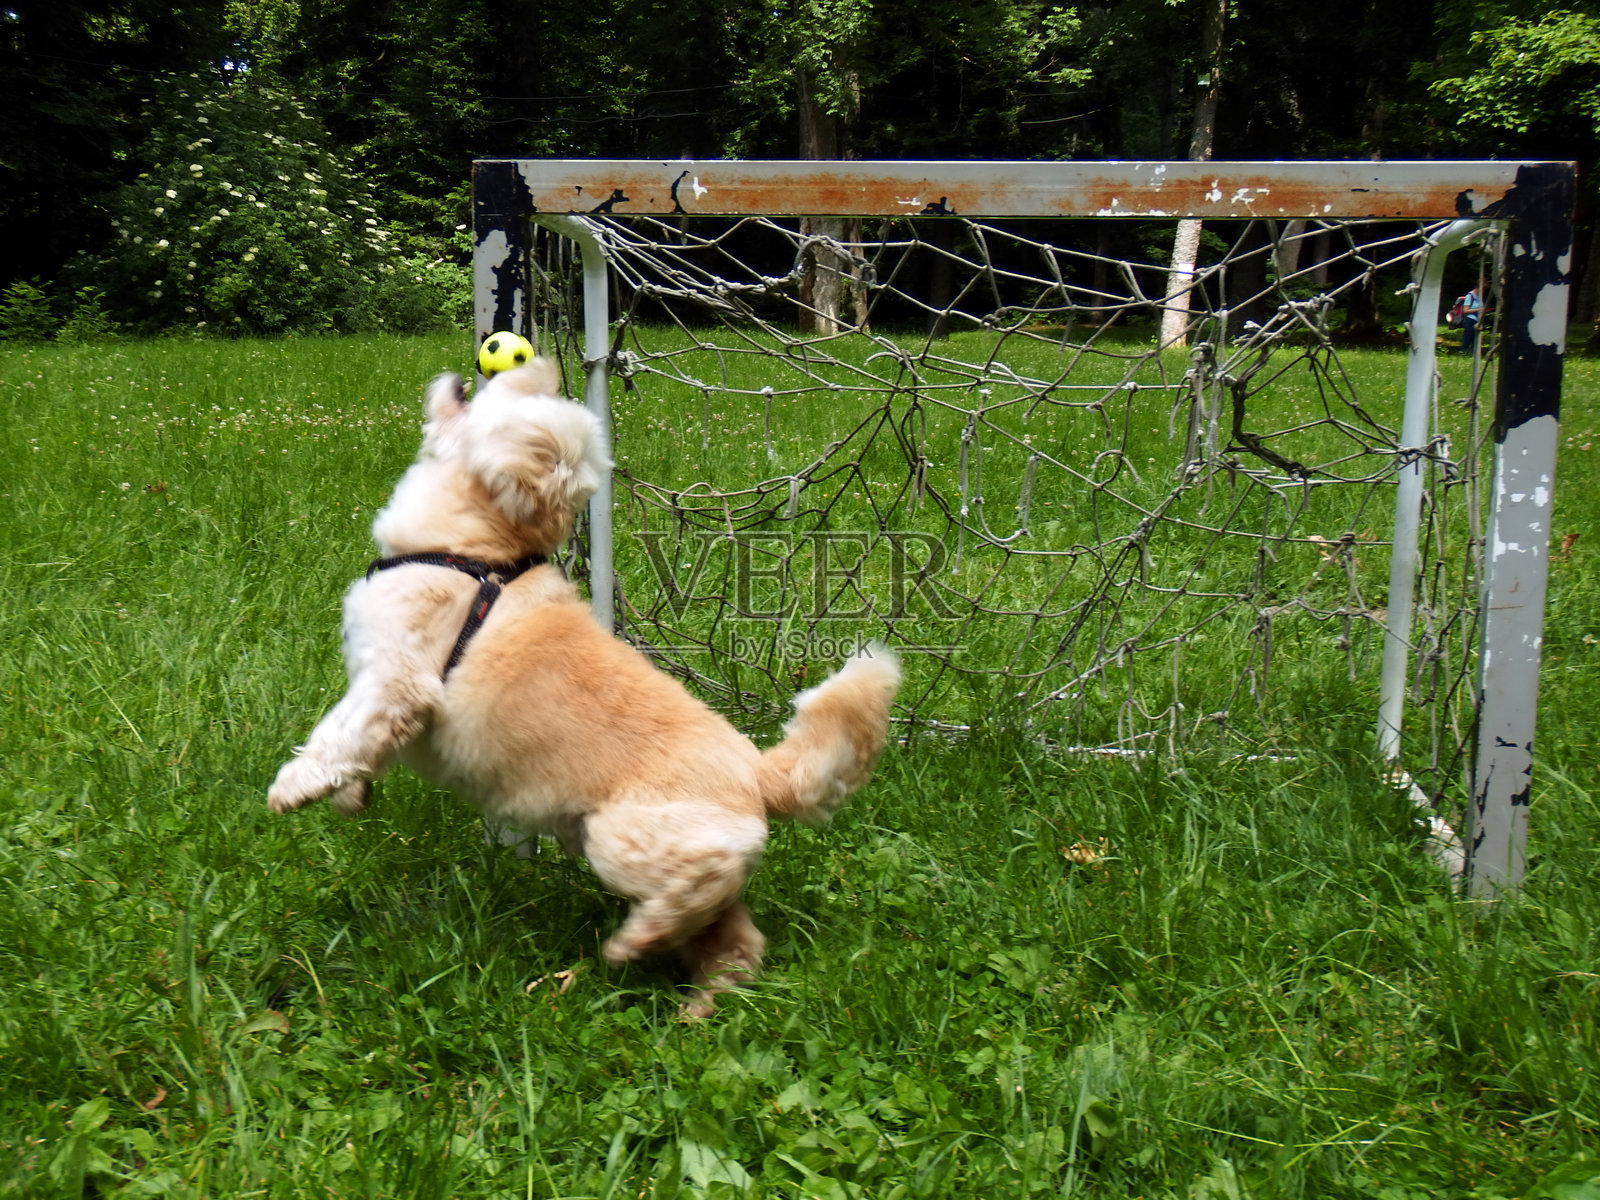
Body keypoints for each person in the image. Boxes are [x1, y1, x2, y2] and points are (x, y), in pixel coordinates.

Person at [1458, 286, 1484, 355]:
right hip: (1470, 320)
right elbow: (1465, 310)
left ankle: (1473, 354)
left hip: (1477, 320)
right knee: (1467, 338)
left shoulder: (1479, 297)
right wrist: (1479, 310)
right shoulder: (1470, 296)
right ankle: (1462, 352)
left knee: (1474, 340)